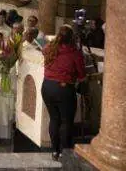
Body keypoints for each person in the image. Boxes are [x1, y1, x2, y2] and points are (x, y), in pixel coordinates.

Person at [41, 25, 86, 161]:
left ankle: (55, 151)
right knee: (66, 121)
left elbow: (45, 51)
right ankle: (64, 152)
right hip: (63, 88)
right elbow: (82, 75)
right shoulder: (74, 53)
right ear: (72, 38)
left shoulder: (49, 48)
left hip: (47, 86)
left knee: (54, 119)